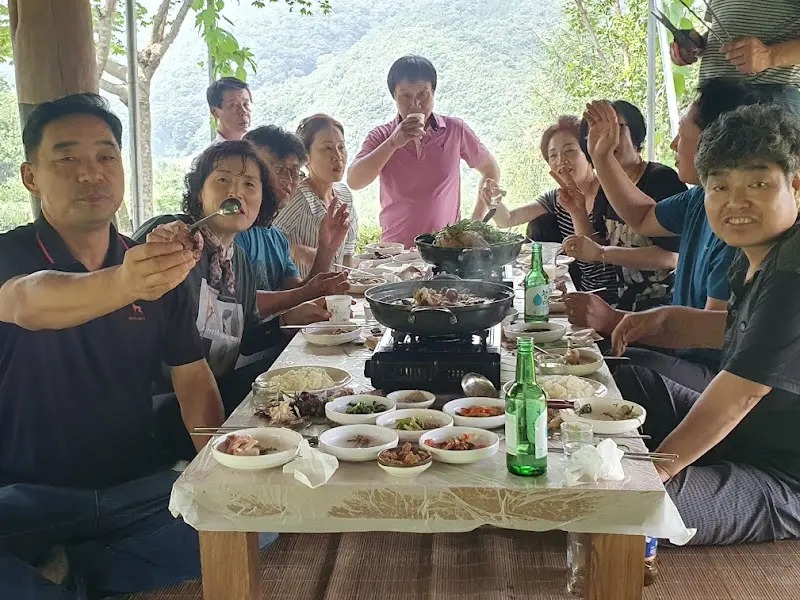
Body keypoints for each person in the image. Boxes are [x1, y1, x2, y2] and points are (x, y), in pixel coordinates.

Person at [0, 93, 224, 598]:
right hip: (24, 497)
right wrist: (124, 285)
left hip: (133, 489)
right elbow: (28, 301)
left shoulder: (151, 265)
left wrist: (220, 472)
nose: (90, 173)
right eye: (66, 158)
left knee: (257, 522)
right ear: (30, 177)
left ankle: (73, 573)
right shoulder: (9, 254)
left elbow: (191, 378)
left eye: (105, 156)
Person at [612, 104, 800, 545]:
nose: (736, 201)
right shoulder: (753, 255)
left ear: (794, 186)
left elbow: (742, 391)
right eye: (720, 186)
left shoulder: (792, 271)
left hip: (785, 475)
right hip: (747, 434)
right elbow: (740, 332)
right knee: (631, 379)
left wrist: (662, 467)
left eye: (758, 183)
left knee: (630, 503)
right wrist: (660, 321)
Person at [567, 77, 759, 392]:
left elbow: (713, 332)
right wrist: (601, 157)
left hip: (718, 380)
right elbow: (643, 216)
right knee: (588, 365)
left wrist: (615, 320)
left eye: (682, 135)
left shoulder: (740, 227)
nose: (673, 145)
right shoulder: (700, 197)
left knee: (608, 377)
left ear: (715, 144)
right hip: (683, 357)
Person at [134, 141, 290, 435]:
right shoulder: (173, 236)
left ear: (262, 202)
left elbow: (243, 342)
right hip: (161, 404)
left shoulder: (239, 261)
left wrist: (289, 321)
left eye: (249, 184)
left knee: (286, 376)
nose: (236, 193)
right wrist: (157, 246)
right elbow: (130, 269)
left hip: (216, 391)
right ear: (199, 193)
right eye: (222, 180)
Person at [475, 104, 686, 311]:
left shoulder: (660, 179)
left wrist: (602, 253)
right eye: (597, 135)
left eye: (615, 129)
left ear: (636, 134)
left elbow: (671, 257)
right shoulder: (608, 188)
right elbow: (594, 252)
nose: (607, 140)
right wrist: (577, 211)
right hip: (620, 305)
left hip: (659, 308)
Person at [347, 55, 503, 248]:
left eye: (423, 94)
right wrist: (393, 142)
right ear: (394, 97)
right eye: (405, 96)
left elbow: (491, 170)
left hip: (447, 249)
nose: (416, 104)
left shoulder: (455, 130)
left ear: (433, 92)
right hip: (395, 252)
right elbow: (355, 181)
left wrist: (475, 223)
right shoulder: (382, 135)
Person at [235, 125, 351, 322]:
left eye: (295, 171)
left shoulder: (275, 236)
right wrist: (305, 293)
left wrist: (326, 248)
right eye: (279, 169)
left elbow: (297, 292)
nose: (288, 180)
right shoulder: (235, 231)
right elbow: (239, 301)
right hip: (245, 350)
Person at [670, 0, 800, 116]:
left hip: (767, 95)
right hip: (713, 97)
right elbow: (724, 27)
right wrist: (696, 45)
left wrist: (771, 56)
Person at [273, 115, 359, 276]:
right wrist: (298, 251)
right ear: (306, 158)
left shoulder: (344, 196)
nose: (338, 156)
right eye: (327, 148)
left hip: (336, 297)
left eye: (341, 147)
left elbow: (347, 257)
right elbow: (268, 242)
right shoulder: (296, 198)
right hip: (300, 295)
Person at [207, 76, 252, 143]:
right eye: (233, 105)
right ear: (215, 112)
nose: (243, 111)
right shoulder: (212, 153)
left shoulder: (262, 150)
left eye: (245, 104)